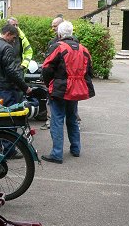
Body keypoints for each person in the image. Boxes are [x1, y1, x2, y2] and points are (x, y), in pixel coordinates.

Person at [41, 21, 95, 164]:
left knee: (57, 120)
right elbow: (90, 70)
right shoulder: (84, 49)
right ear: (72, 33)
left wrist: (49, 84)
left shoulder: (58, 47)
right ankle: (76, 149)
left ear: (59, 34)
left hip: (60, 89)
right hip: (76, 89)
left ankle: (57, 154)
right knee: (72, 118)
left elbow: (46, 68)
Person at [0, 24, 32, 159]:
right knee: (8, 120)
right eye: (14, 37)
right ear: (8, 34)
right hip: (6, 88)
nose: (14, 40)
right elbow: (12, 72)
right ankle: (9, 150)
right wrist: (25, 87)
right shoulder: (6, 48)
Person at [40, 16, 64, 130]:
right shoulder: (52, 42)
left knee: (70, 103)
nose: (53, 28)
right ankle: (50, 121)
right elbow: (47, 62)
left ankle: (75, 121)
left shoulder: (73, 41)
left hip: (64, 78)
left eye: (55, 26)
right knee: (50, 102)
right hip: (54, 79)